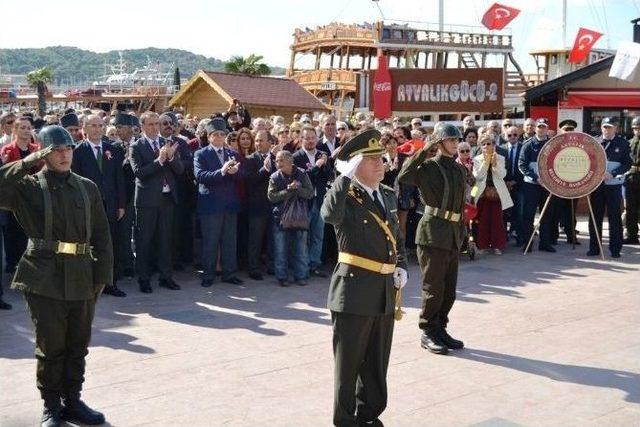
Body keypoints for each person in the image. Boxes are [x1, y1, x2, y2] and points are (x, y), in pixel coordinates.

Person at [0, 125, 112, 426]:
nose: (64, 155)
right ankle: (51, 405)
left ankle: (73, 400)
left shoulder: (87, 187)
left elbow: (101, 233)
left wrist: (102, 276)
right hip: (43, 275)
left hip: (82, 275)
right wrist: (28, 160)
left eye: (68, 149)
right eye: (56, 150)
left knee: (78, 343)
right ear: (44, 153)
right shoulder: (28, 187)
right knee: (51, 346)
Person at [321, 129, 407, 426]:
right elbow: (329, 215)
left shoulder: (386, 195)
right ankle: (345, 421)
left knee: (376, 362)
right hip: (354, 291)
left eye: (381, 159)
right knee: (348, 366)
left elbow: (396, 237)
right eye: (371, 160)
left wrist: (402, 265)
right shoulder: (346, 196)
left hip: (384, 290)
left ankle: (369, 414)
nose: (380, 164)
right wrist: (343, 178)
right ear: (354, 165)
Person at [398, 122, 466, 355]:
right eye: (451, 140)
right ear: (439, 143)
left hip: (453, 232)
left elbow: (460, 204)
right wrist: (423, 150)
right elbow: (404, 176)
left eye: (457, 140)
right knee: (433, 287)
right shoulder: (428, 167)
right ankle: (427, 331)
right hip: (432, 232)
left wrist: (464, 233)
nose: (455, 143)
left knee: (449, 290)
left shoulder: (458, 169)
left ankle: (440, 328)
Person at [71, 114, 126, 297]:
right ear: (84, 128)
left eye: (100, 125)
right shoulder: (78, 152)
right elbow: (75, 182)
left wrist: (121, 204)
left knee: (111, 245)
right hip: (89, 206)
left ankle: (111, 283)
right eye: (93, 125)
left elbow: (119, 179)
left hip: (111, 206)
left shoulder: (113, 150)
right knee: (90, 245)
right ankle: (91, 284)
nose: (97, 129)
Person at [129, 111, 184, 293]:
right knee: (144, 241)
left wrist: (170, 157)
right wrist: (159, 160)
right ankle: (144, 279)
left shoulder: (165, 143)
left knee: (165, 240)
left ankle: (165, 276)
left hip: (167, 199)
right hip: (147, 201)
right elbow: (139, 173)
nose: (154, 127)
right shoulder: (136, 146)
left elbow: (179, 170)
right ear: (143, 126)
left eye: (156, 124)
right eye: (150, 124)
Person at [193, 117, 243, 287]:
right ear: (209, 136)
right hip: (211, 205)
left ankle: (229, 273)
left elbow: (240, 177)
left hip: (229, 204)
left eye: (223, 134)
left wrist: (235, 172)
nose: (220, 137)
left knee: (230, 241)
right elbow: (200, 176)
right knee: (210, 241)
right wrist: (221, 172)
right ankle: (208, 274)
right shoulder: (201, 154)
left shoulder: (232, 154)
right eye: (216, 134)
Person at [0, 116, 41, 274]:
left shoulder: (36, 149)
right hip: (13, 199)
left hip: (32, 198)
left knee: (28, 233)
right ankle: (12, 263)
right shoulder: (7, 150)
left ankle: (26, 264)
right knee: (12, 232)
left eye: (28, 127)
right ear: (15, 130)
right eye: (22, 127)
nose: (26, 130)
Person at [267, 150, 313, 287]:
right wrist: (287, 190)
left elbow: (310, 193)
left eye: (281, 160)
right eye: (276, 160)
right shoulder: (274, 177)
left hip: (300, 217)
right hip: (280, 218)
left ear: (290, 162)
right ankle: (282, 277)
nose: (277, 163)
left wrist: (297, 189)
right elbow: (271, 197)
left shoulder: (302, 174)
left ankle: (301, 276)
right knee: (281, 249)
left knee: (301, 249)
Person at [587, 117, 631, 258]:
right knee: (595, 217)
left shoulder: (623, 143)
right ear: (601, 128)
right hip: (597, 186)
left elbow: (627, 164)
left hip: (613, 186)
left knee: (614, 218)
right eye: (604, 127)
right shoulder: (594, 142)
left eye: (609, 127)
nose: (606, 129)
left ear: (615, 128)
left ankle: (615, 249)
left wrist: (613, 173)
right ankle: (594, 248)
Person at [293, 126, 332, 277]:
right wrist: (317, 166)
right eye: (307, 138)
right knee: (303, 236)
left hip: (320, 200)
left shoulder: (322, 155)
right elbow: (303, 177)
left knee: (318, 235)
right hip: (304, 201)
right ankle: (302, 267)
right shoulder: (296, 157)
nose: (310, 141)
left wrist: (324, 163)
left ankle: (314, 264)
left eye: (312, 138)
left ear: (317, 139)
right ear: (301, 139)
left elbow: (328, 175)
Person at [518, 118, 558, 253]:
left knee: (547, 215)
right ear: (536, 128)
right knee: (528, 215)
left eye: (544, 127)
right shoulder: (528, 144)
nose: (541, 129)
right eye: (539, 127)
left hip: (547, 186)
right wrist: (536, 178)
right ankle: (527, 242)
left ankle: (545, 243)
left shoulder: (553, 144)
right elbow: (522, 165)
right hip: (531, 185)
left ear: (547, 129)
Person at [472, 136, 513, 254]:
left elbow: (502, 175)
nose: (486, 146)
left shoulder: (500, 158)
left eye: (488, 144)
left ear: (493, 145)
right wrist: (485, 163)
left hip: (497, 193)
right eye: (483, 144)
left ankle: (497, 246)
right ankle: (483, 245)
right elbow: (478, 176)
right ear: (480, 146)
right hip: (482, 193)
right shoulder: (476, 159)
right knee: (482, 220)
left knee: (497, 220)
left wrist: (494, 164)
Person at [243, 129, 276, 280]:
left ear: (270, 142)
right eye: (256, 140)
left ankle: (272, 266)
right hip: (257, 206)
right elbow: (249, 181)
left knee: (272, 238)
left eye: (261, 140)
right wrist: (265, 169)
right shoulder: (250, 159)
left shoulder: (277, 158)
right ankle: (254, 268)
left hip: (274, 205)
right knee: (255, 239)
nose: (258, 143)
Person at [504, 125, 525, 246]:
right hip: (504, 185)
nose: (512, 137)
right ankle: (504, 237)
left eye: (515, 135)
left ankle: (519, 238)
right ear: (505, 136)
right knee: (504, 213)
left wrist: (515, 181)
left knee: (519, 212)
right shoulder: (501, 149)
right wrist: (506, 182)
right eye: (509, 135)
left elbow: (525, 165)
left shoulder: (523, 147)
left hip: (519, 186)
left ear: (518, 135)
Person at [624, 116, 640, 245]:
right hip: (631, 179)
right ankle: (632, 235)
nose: (637, 131)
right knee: (630, 208)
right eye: (635, 128)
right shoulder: (628, 142)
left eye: (639, 128)